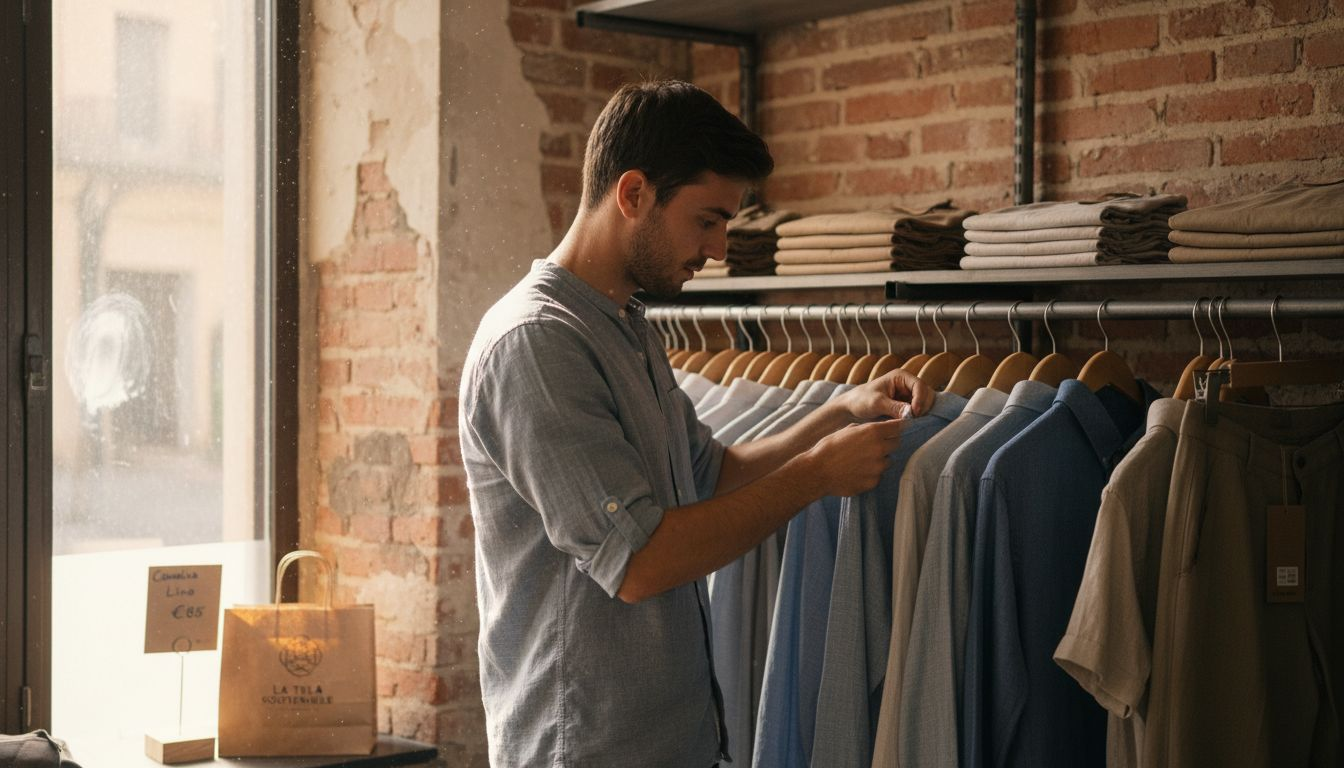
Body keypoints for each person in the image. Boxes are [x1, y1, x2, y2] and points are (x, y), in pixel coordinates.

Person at [459, 80, 932, 767]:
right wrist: (815, 477)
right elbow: (640, 563)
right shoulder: (537, 343)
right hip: (585, 749)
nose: (716, 249)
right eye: (706, 220)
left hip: (672, 741)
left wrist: (836, 413)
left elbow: (708, 474)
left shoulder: (628, 325)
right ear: (633, 195)